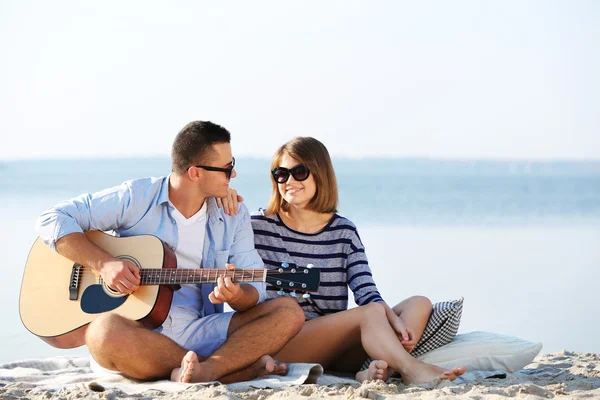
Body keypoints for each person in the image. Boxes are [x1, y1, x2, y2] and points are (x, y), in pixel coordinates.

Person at [34, 121, 305, 384]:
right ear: (195, 172)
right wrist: (105, 264)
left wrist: (237, 295)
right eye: (226, 168)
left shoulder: (232, 214)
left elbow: (255, 288)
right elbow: (52, 219)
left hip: (201, 328)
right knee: (101, 333)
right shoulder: (137, 197)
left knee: (288, 311)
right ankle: (228, 371)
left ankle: (208, 369)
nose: (233, 175)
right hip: (138, 332)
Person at [220, 137, 466, 384]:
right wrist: (224, 196)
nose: (290, 181)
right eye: (281, 174)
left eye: (299, 172)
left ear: (320, 174)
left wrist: (395, 323)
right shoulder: (258, 226)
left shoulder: (343, 231)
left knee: (418, 304)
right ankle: (411, 369)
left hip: (336, 346)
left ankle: (379, 369)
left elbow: (366, 291)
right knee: (370, 315)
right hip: (285, 340)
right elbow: (217, 239)